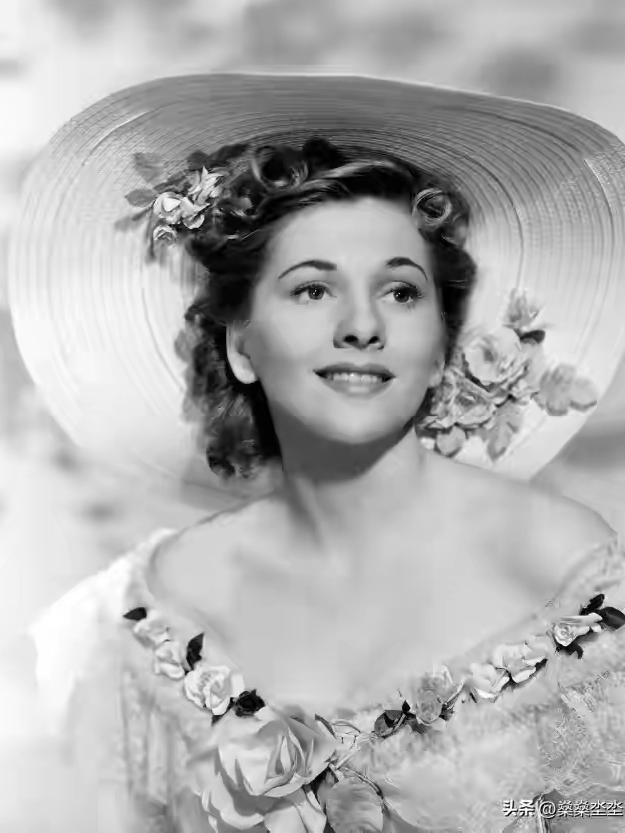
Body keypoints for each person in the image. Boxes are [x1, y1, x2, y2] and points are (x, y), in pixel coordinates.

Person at [9, 73, 625, 833]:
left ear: (439, 348)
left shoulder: (562, 568)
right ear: (241, 346)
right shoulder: (147, 618)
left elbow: (605, 807)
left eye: (401, 292)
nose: (362, 325)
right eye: (312, 290)